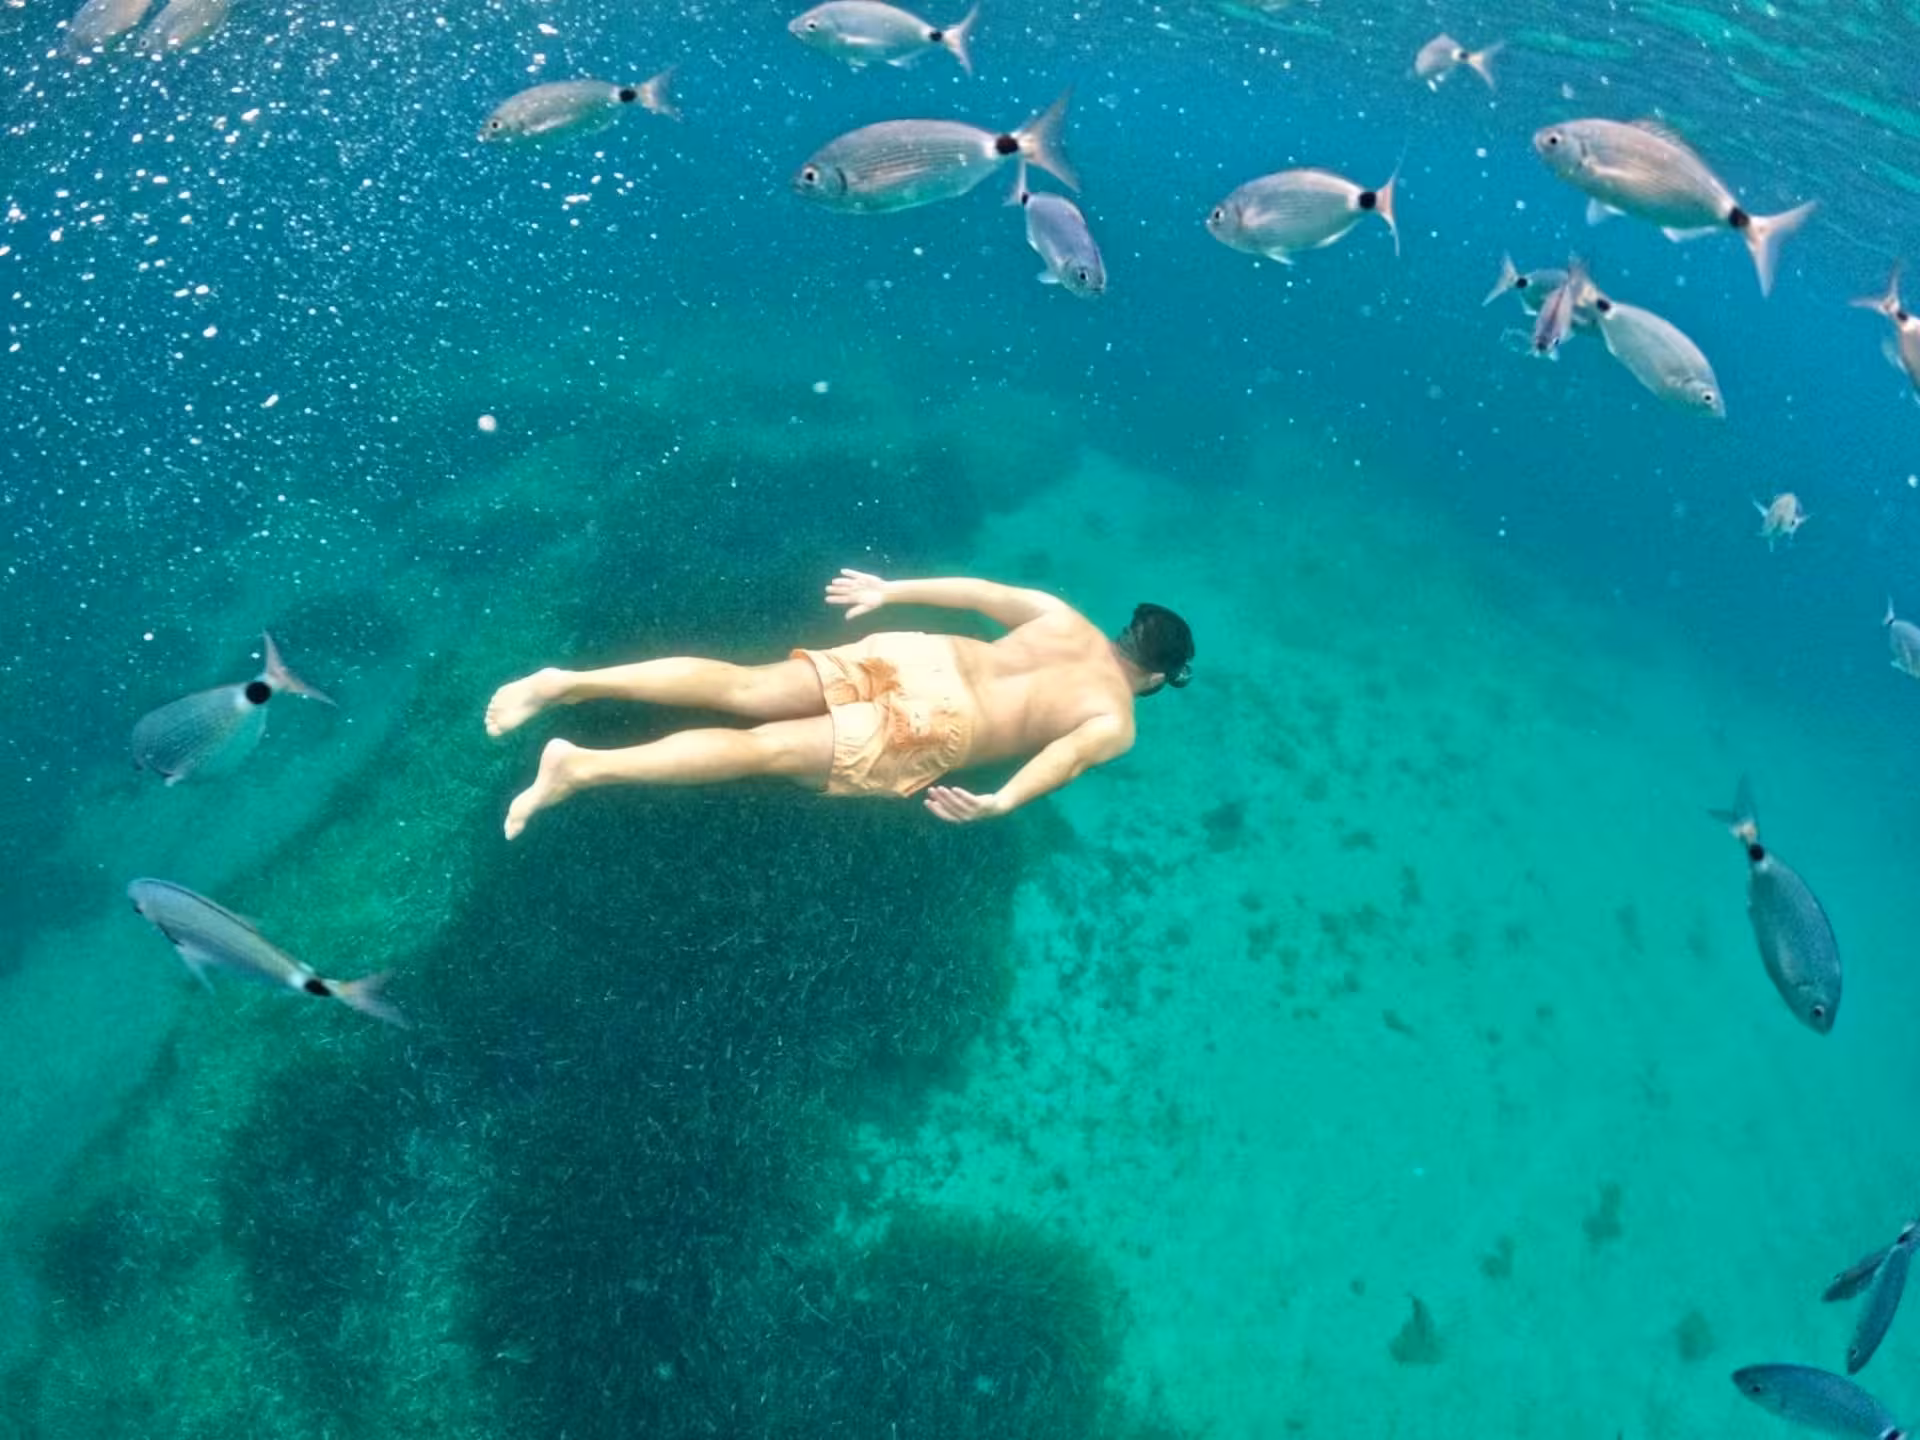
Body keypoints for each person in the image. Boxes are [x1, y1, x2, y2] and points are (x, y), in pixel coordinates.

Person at [486, 568, 1194, 839]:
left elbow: (980, 594)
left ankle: (563, 682)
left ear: (1126, 633)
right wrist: (1001, 802)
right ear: (1159, 678)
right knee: (761, 749)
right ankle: (580, 768)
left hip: (921, 654)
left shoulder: (1063, 618)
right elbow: (1065, 761)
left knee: (742, 685)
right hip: (938, 725)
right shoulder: (1117, 719)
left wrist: (889, 590)